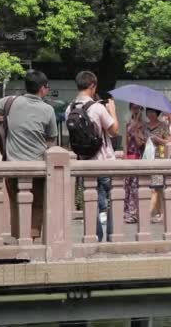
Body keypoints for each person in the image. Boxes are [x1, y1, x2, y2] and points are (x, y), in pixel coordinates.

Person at [0, 69, 58, 239]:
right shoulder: (48, 110)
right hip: (37, 168)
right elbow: (52, 138)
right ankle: (31, 237)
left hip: (12, 167)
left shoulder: (9, 102)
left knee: (16, 204)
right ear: (43, 88)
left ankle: (18, 237)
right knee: (37, 204)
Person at [65, 71, 119, 242]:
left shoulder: (70, 109)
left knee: (91, 202)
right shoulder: (97, 107)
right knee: (111, 201)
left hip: (83, 163)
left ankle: (94, 236)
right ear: (92, 85)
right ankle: (111, 236)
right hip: (104, 162)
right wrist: (113, 111)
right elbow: (114, 131)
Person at [145, 107, 171, 223]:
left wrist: (157, 139)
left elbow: (168, 141)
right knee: (157, 188)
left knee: (155, 187)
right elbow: (140, 141)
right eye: (148, 112)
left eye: (152, 112)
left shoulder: (163, 125)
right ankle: (161, 212)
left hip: (158, 158)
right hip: (146, 159)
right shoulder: (144, 126)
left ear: (157, 113)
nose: (150, 114)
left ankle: (148, 214)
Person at [123, 104, 146, 224]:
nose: (135, 110)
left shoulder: (143, 125)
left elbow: (141, 143)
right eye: (133, 107)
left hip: (138, 156)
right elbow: (126, 142)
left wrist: (137, 130)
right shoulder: (128, 123)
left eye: (138, 107)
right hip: (129, 156)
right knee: (126, 185)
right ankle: (125, 211)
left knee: (135, 186)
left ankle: (133, 213)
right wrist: (124, 155)